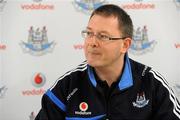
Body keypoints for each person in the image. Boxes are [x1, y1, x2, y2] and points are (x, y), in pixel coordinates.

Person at [35, 4, 180, 120]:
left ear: (125, 45)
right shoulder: (66, 86)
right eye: (89, 33)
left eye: (103, 36)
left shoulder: (152, 84)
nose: (92, 42)